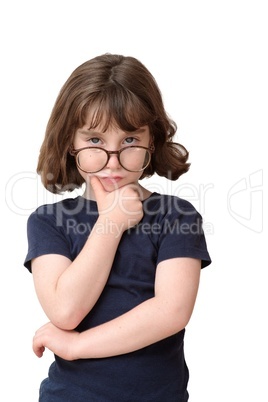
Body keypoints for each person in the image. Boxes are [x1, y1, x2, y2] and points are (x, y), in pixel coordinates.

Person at [24, 53, 211, 402]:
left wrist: (78, 345)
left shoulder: (177, 216)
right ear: (70, 143)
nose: (112, 161)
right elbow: (65, 310)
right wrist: (111, 222)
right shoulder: (48, 222)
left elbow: (171, 311)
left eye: (128, 141)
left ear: (151, 142)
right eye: (95, 141)